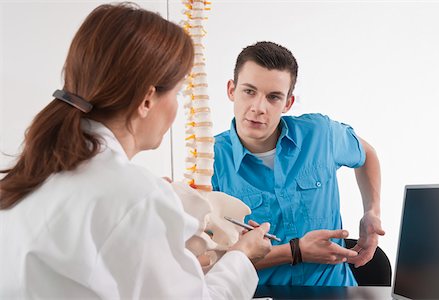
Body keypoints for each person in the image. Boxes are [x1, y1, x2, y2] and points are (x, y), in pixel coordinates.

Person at [0, 4, 271, 299]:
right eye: (178, 92)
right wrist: (242, 256)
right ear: (146, 99)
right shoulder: (136, 196)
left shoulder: (26, 176)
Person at [212, 41, 385, 286]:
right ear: (231, 90)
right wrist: (296, 251)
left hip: (335, 291)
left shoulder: (321, 134)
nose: (258, 108)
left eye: (273, 97)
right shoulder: (209, 161)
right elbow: (213, 262)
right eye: (249, 91)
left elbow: (366, 154)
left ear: (288, 103)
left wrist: (372, 211)